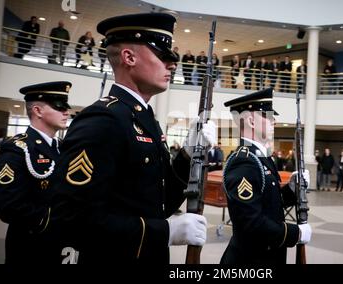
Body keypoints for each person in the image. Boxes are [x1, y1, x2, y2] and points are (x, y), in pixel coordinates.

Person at [46, 13, 216, 264]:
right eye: (163, 56)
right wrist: (165, 231)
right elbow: (73, 219)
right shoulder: (103, 120)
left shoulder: (143, 118)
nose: (172, 64)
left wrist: (187, 156)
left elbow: (157, 201)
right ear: (129, 57)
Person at [221, 88, 311, 264]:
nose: (274, 122)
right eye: (268, 116)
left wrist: (292, 188)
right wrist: (296, 233)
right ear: (251, 121)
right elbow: (251, 223)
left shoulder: (261, 158)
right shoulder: (244, 162)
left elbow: (268, 203)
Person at [0, 81, 72, 264]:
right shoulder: (17, 148)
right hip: (31, 244)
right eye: (59, 107)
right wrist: (56, 220)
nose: (66, 112)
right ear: (37, 111)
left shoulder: (63, 148)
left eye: (66, 107)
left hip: (62, 244)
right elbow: (8, 206)